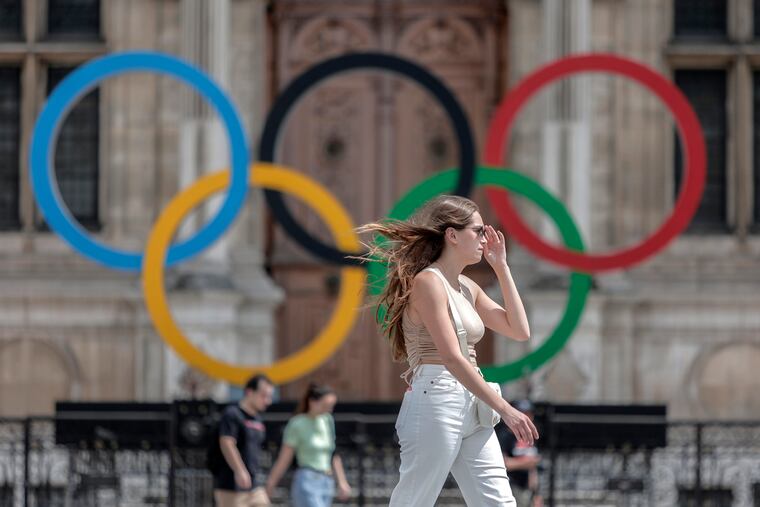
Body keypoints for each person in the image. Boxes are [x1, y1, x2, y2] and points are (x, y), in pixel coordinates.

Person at [359, 195, 539, 506]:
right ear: (452, 235)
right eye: (478, 231)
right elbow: (451, 356)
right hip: (437, 397)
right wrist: (506, 409)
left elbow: (520, 330)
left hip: (472, 401)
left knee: (499, 502)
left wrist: (502, 267)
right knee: (414, 500)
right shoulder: (428, 282)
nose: (486, 238)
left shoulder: (468, 287)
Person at [265, 383, 352, 507]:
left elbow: (333, 453)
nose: (329, 410)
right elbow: (284, 458)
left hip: (327, 482)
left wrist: (342, 482)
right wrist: (271, 484)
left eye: (331, 406)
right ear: (312, 402)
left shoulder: (327, 420)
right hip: (307, 480)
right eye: (325, 405)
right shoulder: (297, 423)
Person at [212, 374, 275, 507]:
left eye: (270, 396)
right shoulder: (232, 414)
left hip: (254, 485)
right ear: (249, 392)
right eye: (264, 395)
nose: (267, 401)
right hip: (231, 486)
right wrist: (239, 470)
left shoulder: (257, 419)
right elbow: (227, 442)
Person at [496, 400, 543, 507]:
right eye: (523, 413)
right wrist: (527, 463)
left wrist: (536, 494)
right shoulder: (504, 436)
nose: (527, 418)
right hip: (510, 486)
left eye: (529, 414)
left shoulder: (531, 437)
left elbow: (533, 469)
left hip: (527, 488)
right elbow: (502, 464)